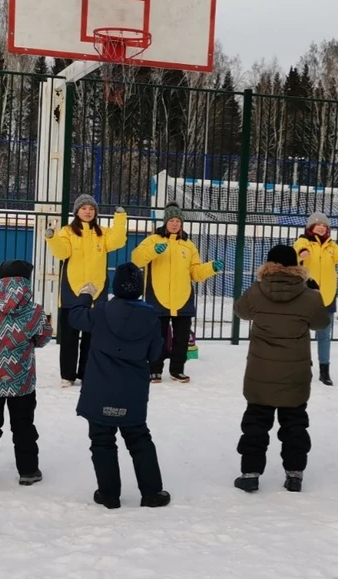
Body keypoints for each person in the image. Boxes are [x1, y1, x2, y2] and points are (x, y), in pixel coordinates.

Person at [69, 263, 171, 509]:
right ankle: (152, 494)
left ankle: (109, 495)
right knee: (139, 439)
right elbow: (156, 352)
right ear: (139, 289)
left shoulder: (101, 311)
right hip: (132, 392)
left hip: (99, 390)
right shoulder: (151, 316)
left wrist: (85, 295)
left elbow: (75, 318)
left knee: (102, 441)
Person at [232, 245, 331, 493]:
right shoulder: (309, 295)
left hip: (260, 372)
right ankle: (294, 474)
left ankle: (250, 473)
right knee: (295, 424)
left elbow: (240, 311)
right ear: (296, 265)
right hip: (294, 373)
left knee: (256, 423)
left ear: (269, 264)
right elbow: (321, 323)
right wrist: (316, 292)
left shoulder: (256, 290)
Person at [0, 260, 53, 487]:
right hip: (21, 380)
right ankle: (28, 470)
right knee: (24, 425)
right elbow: (43, 338)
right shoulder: (34, 311)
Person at [131, 201, 223, 383]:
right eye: (171, 220)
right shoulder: (153, 240)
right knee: (158, 337)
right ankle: (154, 370)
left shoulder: (188, 245)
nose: (175, 224)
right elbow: (136, 259)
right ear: (165, 222)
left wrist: (211, 267)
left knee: (181, 339)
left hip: (182, 299)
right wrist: (153, 251)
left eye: (178, 221)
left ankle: (177, 370)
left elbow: (195, 273)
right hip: (157, 298)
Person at [44, 194, 127, 387]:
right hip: (71, 290)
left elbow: (118, 241)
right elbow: (62, 252)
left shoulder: (103, 233)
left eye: (91, 209)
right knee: (69, 336)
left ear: (95, 212)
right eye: (84, 208)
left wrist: (120, 219)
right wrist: (52, 238)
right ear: (77, 211)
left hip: (96, 290)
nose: (88, 212)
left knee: (93, 336)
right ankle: (68, 375)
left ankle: (88, 372)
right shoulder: (67, 232)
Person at [293, 212, 338, 387]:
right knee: (300, 333)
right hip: (304, 296)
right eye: (318, 224)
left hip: (327, 297)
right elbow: (295, 252)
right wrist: (301, 254)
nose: (321, 227)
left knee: (324, 335)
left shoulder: (331, 247)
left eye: (324, 225)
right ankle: (303, 364)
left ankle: (324, 370)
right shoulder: (303, 242)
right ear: (311, 227)